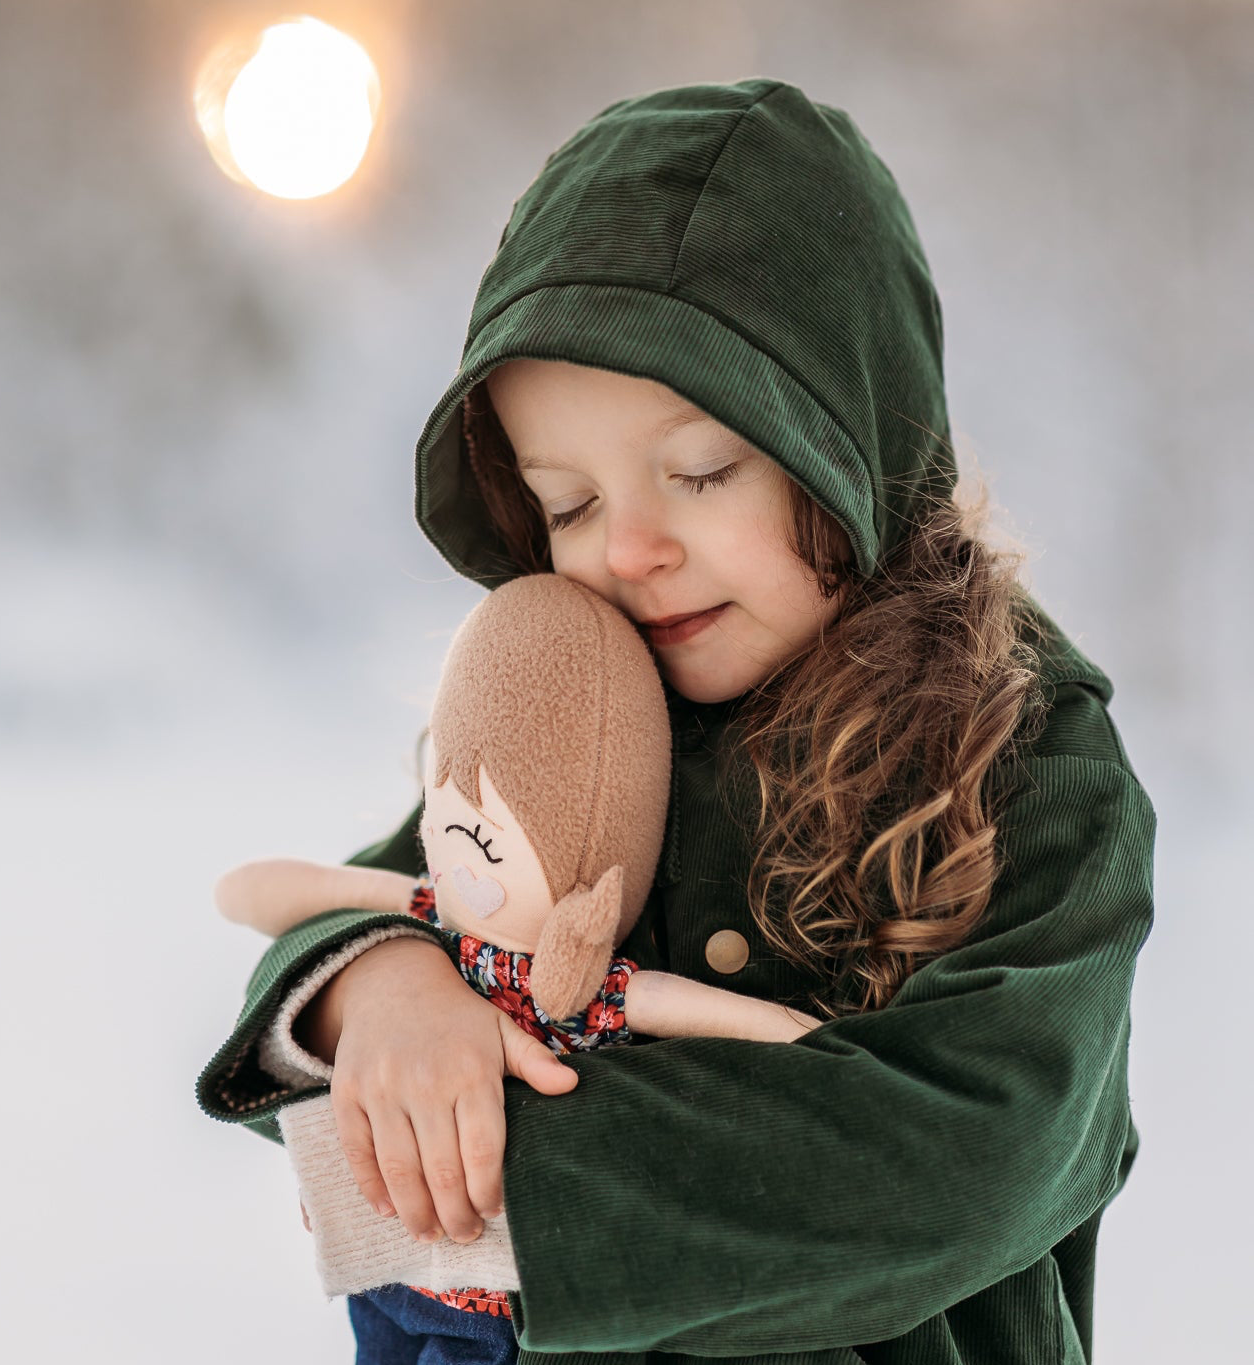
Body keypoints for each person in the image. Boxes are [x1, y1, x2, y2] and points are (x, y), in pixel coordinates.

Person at [196, 77, 1156, 1365]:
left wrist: (487, 1194)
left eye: (702, 473)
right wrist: (378, 993)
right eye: (569, 504)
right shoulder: (581, 710)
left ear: (857, 442)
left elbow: (984, 1151)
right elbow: (395, 896)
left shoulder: (1020, 757)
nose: (631, 549)